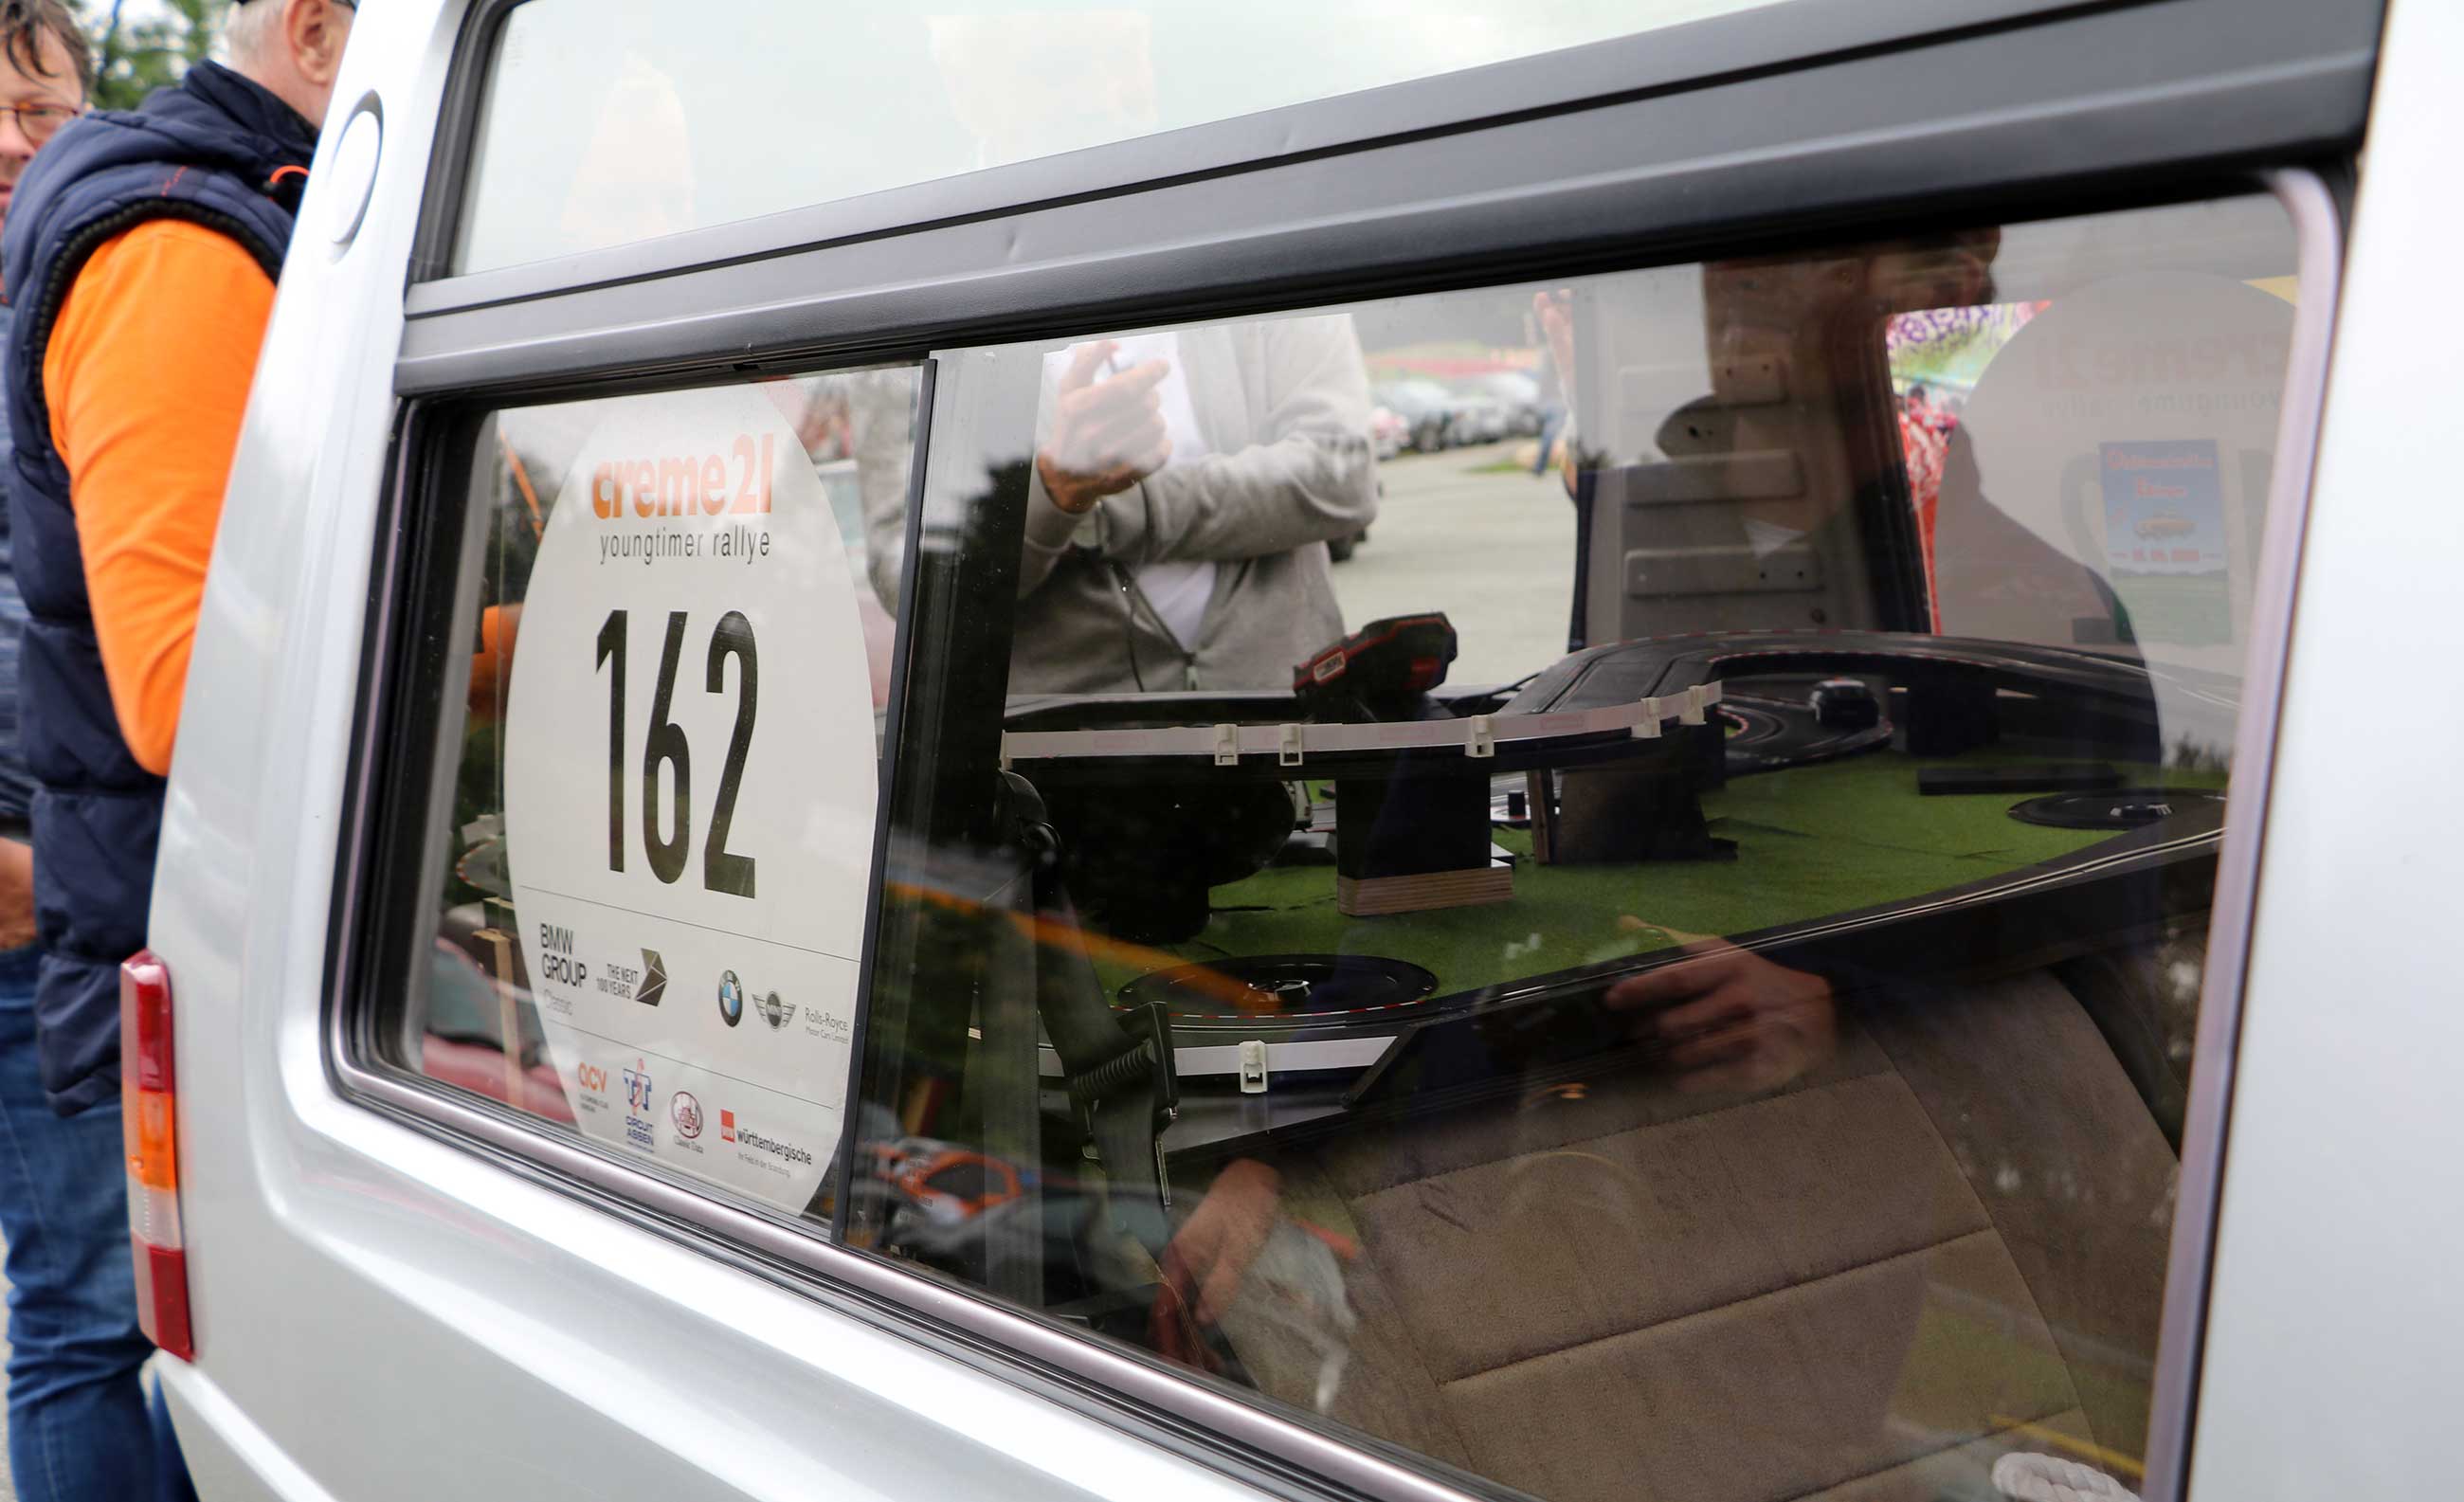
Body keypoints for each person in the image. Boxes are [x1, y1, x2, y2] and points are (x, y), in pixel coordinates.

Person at [0, 0, 352, 1489]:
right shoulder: (157, 245)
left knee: (145, 1315)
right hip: (54, 900)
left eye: (42, 108)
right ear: (315, 33)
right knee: (94, 1318)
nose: (19, 142)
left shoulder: (98, 253)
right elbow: (173, 676)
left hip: (99, 878)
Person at [862, 317, 1380, 695]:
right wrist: (1052, 488)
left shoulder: (1258, 253)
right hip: (1068, 762)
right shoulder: (931, 309)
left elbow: (1344, 475)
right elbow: (904, 576)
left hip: (1293, 730)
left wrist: (1093, 508)